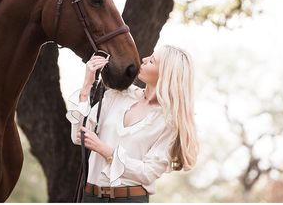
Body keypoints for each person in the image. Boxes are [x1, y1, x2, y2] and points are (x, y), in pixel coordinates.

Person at [67, 45, 198, 203]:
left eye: (151, 61)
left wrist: (105, 150)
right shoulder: (118, 95)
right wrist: (87, 85)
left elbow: (148, 172)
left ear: (165, 74)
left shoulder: (169, 122)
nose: (143, 60)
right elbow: (77, 136)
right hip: (91, 197)